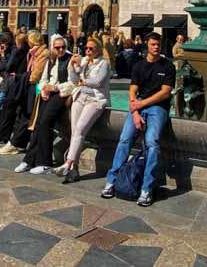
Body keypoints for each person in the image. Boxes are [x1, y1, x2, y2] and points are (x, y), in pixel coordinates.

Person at [100, 33, 175, 207]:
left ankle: (146, 188)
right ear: (147, 46)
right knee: (125, 139)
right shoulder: (139, 66)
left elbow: (165, 92)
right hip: (139, 107)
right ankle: (112, 181)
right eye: (153, 44)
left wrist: (141, 104)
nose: (156, 47)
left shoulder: (168, 66)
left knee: (152, 142)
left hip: (158, 108)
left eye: (158, 45)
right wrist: (135, 112)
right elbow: (132, 90)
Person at [15, 35, 72, 174]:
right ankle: (29, 160)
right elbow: (43, 79)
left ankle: (44, 162)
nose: (60, 50)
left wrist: (55, 88)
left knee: (45, 122)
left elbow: (74, 82)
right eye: (57, 47)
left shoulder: (71, 60)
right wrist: (43, 90)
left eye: (63, 47)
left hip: (61, 94)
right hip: (49, 94)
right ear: (53, 47)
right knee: (38, 124)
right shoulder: (51, 60)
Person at [59, 36, 110, 183]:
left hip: (95, 100)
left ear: (98, 50)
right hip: (79, 97)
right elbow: (75, 81)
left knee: (80, 129)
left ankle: (68, 164)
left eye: (91, 49)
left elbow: (98, 82)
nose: (87, 51)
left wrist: (84, 81)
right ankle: (73, 169)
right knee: (75, 131)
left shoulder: (104, 64)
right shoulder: (84, 62)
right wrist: (72, 67)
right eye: (86, 48)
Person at [0, 30, 47, 155]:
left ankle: (15, 143)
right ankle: (16, 142)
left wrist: (21, 77)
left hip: (35, 88)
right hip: (28, 86)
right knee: (23, 114)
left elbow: (35, 75)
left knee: (26, 115)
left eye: (29, 41)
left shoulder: (43, 53)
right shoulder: (32, 54)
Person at [0, 31, 31, 146]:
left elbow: (8, 67)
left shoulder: (17, 51)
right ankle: (5, 136)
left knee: (7, 110)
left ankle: (2, 136)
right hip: (21, 83)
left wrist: (3, 55)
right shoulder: (26, 51)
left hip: (14, 83)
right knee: (14, 112)